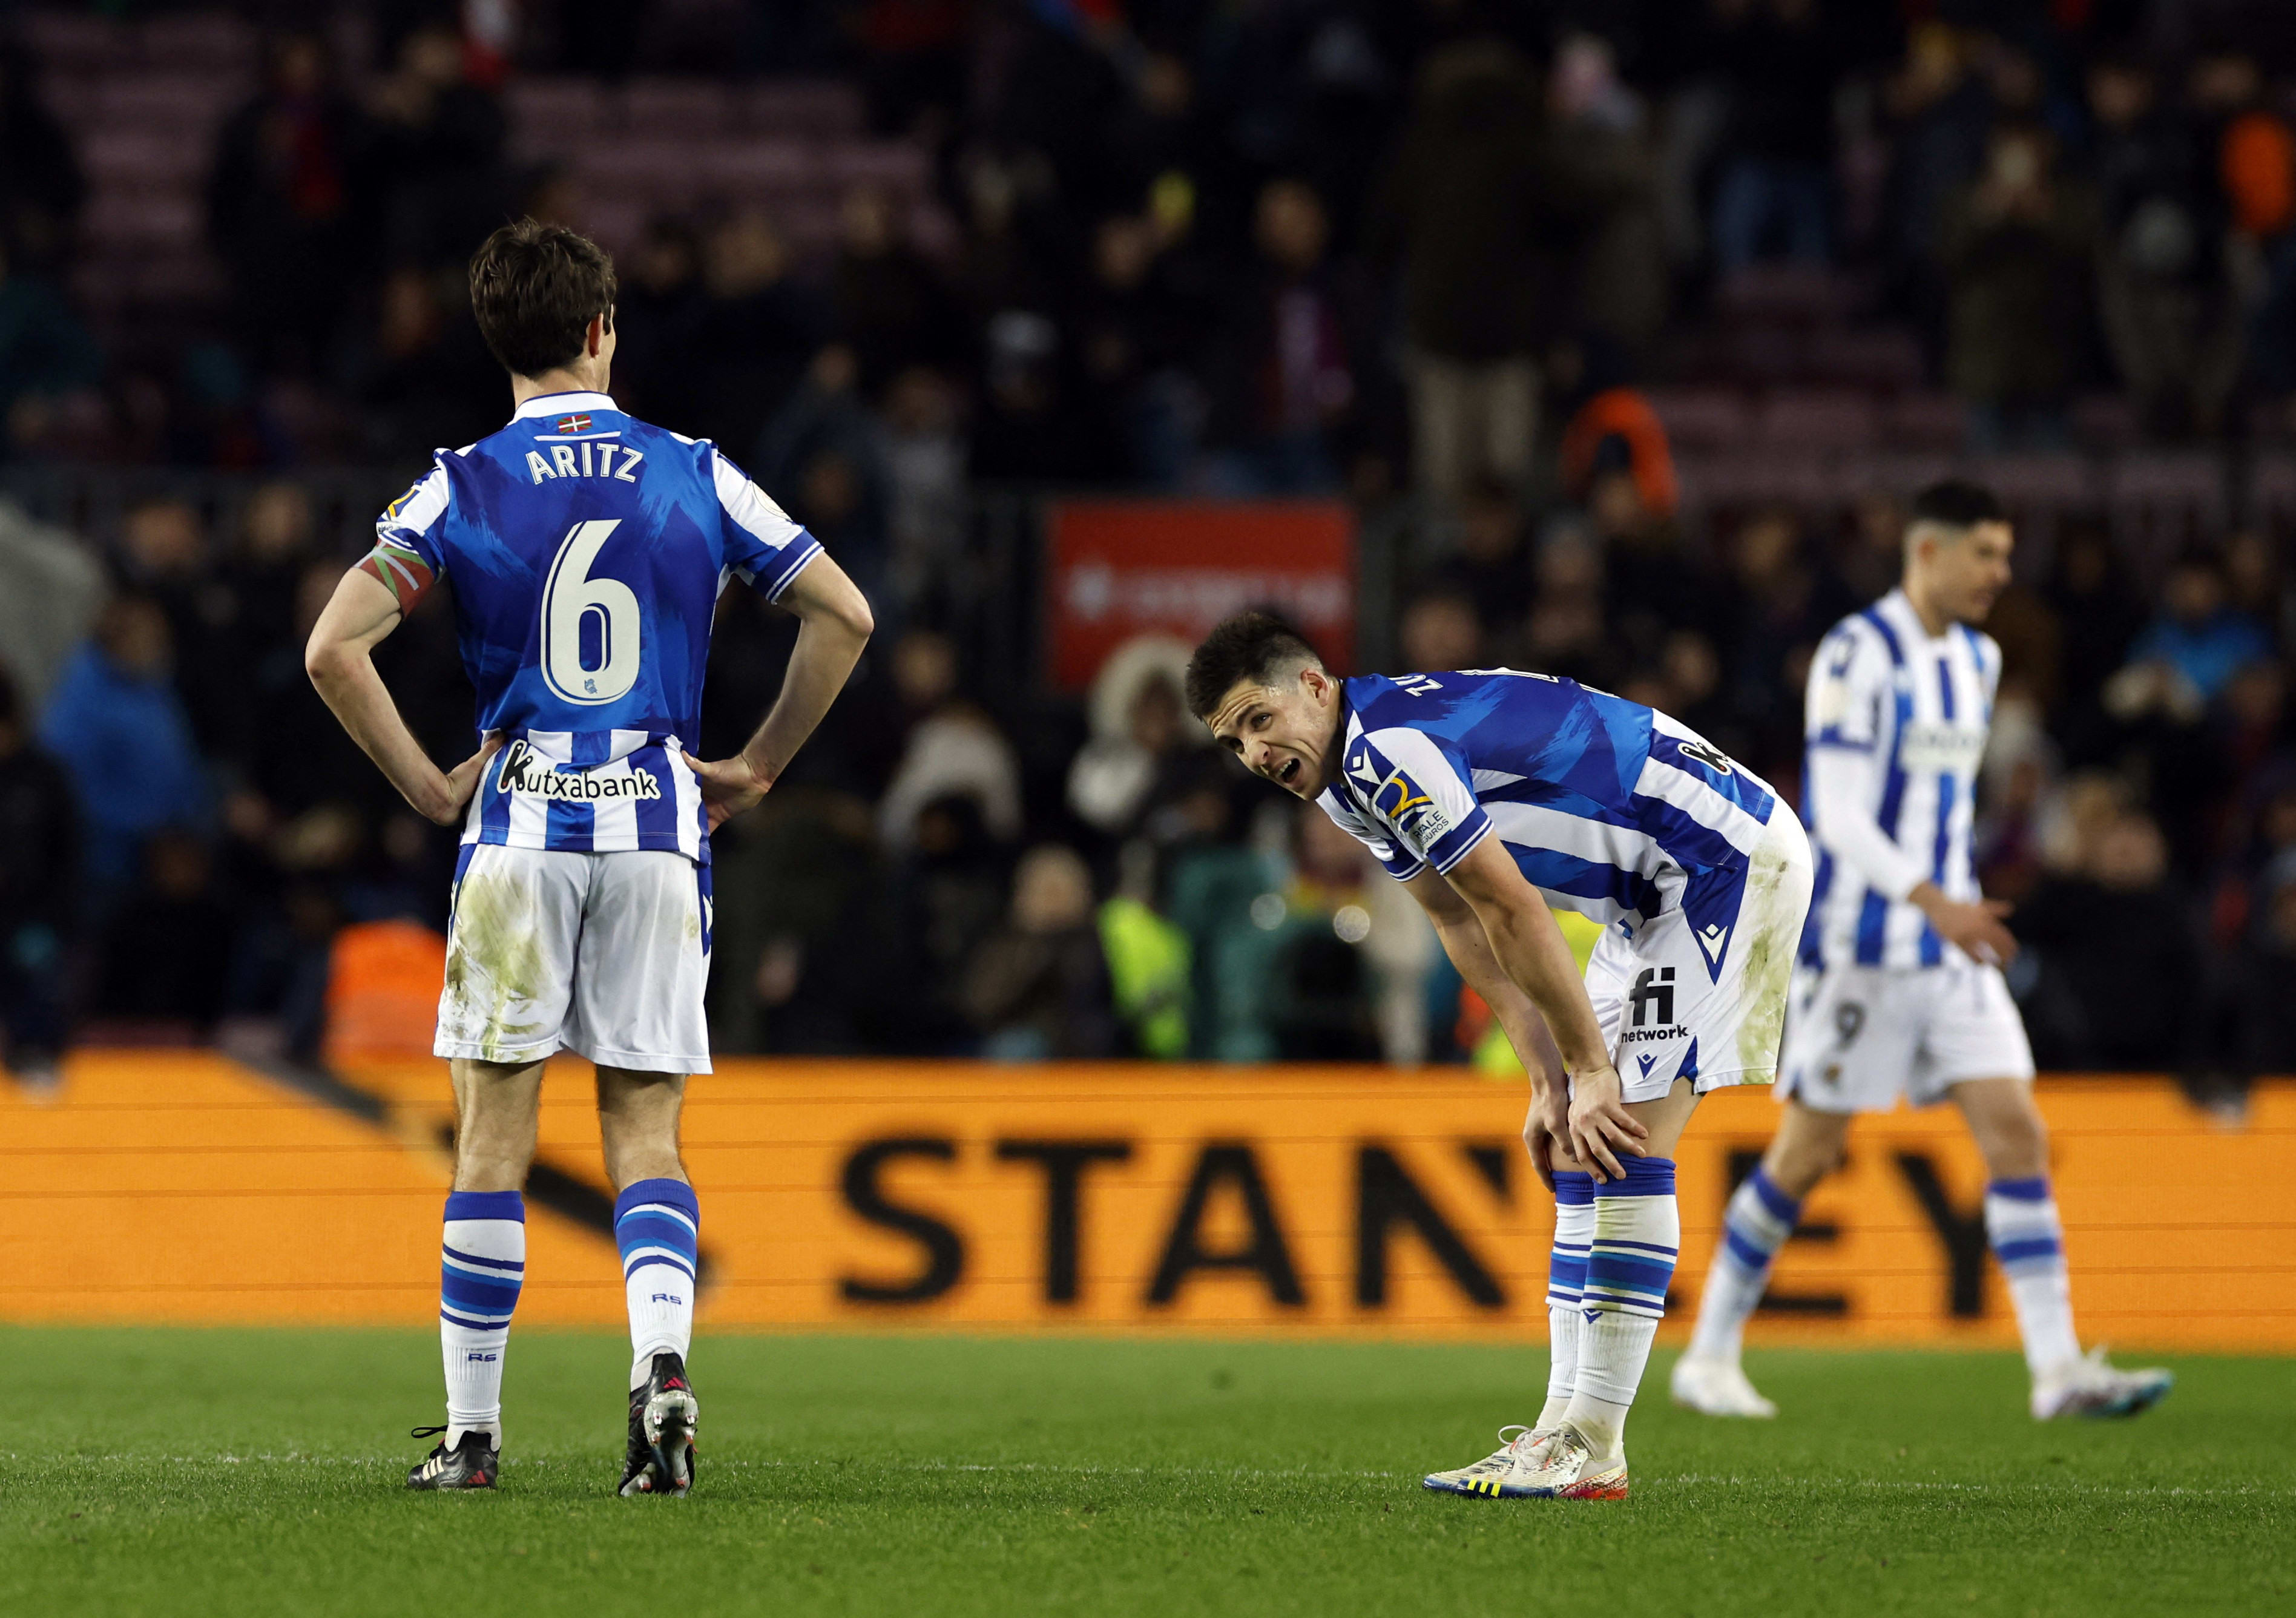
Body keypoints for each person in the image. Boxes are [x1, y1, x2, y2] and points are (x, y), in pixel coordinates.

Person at [303, 220, 872, 1496]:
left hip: (516, 828)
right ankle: (660, 1370)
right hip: (660, 826)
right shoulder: (692, 470)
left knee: (493, 1141)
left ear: (495, 339)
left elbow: (333, 648)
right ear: (605, 327)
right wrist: (759, 762)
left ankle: (471, 1434)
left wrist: (425, 784)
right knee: (646, 1131)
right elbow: (845, 612)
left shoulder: (458, 482)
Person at [1184, 612, 1815, 1501]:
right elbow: (1454, 915)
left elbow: (1511, 905)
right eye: (1232, 740)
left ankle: (1593, 1442)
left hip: (1722, 860)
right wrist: (1547, 1077)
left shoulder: (1387, 751)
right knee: (1573, 1140)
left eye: (1258, 719)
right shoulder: (1342, 781)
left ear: (1315, 687)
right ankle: (1558, 1432)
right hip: (1646, 893)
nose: (1252, 752)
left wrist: (1591, 1070)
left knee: (1625, 1135)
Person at [1671, 480, 2173, 1424]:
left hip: (1952, 946)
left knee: (2015, 1131)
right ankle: (1706, 1353)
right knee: (1807, 1153)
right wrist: (1933, 899)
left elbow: (1940, 808)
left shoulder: (1978, 661)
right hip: (1865, 947)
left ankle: (2057, 1369)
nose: (2000, 571)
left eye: (2003, 552)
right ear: (1927, 552)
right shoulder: (1857, 654)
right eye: (1984, 552)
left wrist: (1969, 886)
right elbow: (1842, 815)